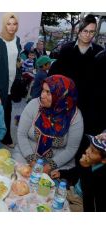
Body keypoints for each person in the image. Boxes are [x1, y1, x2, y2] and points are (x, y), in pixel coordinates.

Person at [49, 14, 104, 165]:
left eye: (92, 32)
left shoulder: (98, 53)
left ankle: (74, 172)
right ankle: (55, 166)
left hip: (86, 105)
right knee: (60, 137)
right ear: (79, 31)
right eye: (85, 31)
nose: (88, 35)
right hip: (65, 103)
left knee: (79, 140)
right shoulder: (66, 50)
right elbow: (56, 76)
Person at [12, 75, 84, 174]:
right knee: (17, 175)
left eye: (48, 92)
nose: (42, 95)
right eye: (43, 90)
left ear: (61, 96)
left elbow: (71, 149)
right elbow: (21, 134)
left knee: (49, 185)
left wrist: (49, 167)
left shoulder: (75, 117)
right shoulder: (34, 105)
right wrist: (32, 160)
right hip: (27, 152)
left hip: (58, 160)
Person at [51, 132, 106, 212]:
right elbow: (78, 172)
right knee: (48, 195)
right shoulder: (94, 161)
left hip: (82, 203)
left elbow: (90, 207)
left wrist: (85, 167)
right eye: (89, 147)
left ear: (104, 159)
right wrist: (62, 173)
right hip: (73, 191)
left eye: (93, 151)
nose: (87, 151)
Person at [0, 12, 22, 147]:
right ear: (4, 25)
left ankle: (6, 137)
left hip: (13, 82)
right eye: (8, 24)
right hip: (0, 84)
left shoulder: (17, 40)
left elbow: (16, 58)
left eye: (14, 24)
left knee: (8, 110)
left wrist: (18, 64)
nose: (12, 27)